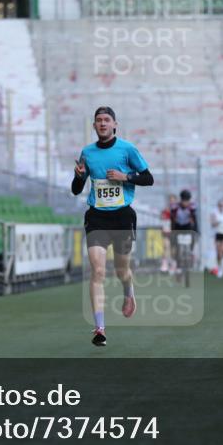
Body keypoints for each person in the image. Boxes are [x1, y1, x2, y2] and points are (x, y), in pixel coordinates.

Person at [72, 106, 154, 347]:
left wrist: (125, 177)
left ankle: (129, 292)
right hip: (96, 217)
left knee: (121, 270)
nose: (103, 124)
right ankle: (100, 328)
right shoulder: (87, 152)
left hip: (122, 217)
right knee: (97, 271)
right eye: (98, 120)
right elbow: (76, 189)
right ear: (94, 126)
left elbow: (148, 178)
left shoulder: (127, 149)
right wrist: (78, 177)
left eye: (107, 120)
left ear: (115, 124)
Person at [169, 190, 198, 273]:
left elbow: (195, 220)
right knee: (176, 246)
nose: (186, 203)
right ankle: (178, 264)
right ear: (181, 200)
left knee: (193, 237)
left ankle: (191, 251)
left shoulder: (192, 207)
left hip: (187, 226)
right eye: (184, 201)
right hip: (178, 227)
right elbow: (172, 220)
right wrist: (172, 232)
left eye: (187, 201)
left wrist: (196, 231)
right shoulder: (175, 208)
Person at [159, 194, 177, 273]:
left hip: (174, 232)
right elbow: (163, 220)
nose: (171, 202)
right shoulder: (165, 211)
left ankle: (173, 264)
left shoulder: (177, 211)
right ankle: (164, 264)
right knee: (166, 246)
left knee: (173, 250)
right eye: (170, 201)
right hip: (166, 232)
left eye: (173, 201)